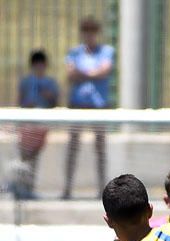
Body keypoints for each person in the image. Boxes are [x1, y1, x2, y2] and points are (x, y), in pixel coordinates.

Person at [62, 16, 114, 200]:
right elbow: (70, 73)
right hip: (78, 104)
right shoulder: (75, 52)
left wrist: (84, 74)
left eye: (92, 31)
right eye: (86, 31)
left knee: (100, 148)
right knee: (72, 147)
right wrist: (91, 74)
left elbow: (104, 70)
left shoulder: (106, 51)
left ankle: (102, 189)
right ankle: (67, 188)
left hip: (98, 106)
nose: (89, 35)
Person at [16, 49, 59, 198]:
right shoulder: (26, 81)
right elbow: (20, 102)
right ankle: (22, 188)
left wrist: (48, 96)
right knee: (25, 157)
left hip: (41, 125)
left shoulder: (50, 82)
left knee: (34, 157)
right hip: (28, 124)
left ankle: (30, 188)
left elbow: (55, 102)